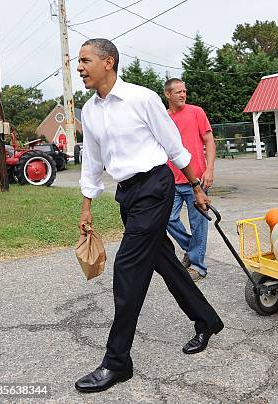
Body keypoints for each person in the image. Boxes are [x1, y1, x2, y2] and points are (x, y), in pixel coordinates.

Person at [75, 38, 223, 393]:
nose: (79, 68)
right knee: (164, 261)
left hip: (156, 187)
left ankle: (117, 362)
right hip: (127, 193)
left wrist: (197, 186)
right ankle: (207, 321)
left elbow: (174, 145)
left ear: (108, 62)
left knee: (128, 267)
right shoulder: (90, 110)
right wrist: (87, 203)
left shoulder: (142, 98)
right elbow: (92, 160)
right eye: (78, 62)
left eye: (85, 61)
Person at [164, 78, 216, 282]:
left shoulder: (196, 112)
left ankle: (198, 266)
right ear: (168, 94)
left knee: (199, 225)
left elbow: (209, 140)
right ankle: (192, 249)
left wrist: (210, 169)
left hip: (197, 180)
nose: (183, 95)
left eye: (185, 91)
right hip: (172, 181)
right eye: (178, 92)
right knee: (167, 219)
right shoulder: (163, 118)